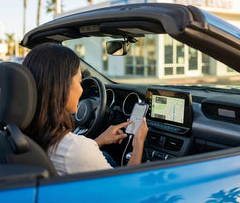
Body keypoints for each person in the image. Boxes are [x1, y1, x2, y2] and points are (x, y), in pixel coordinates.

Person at [23, 43, 148, 175]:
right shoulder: (75, 149)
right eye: (79, 82)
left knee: (105, 154)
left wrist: (99, 140)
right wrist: (138, 143)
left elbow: (75, 157)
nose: (82, 90)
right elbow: (127, 187)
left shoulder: (23, 133)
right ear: (63, 88)